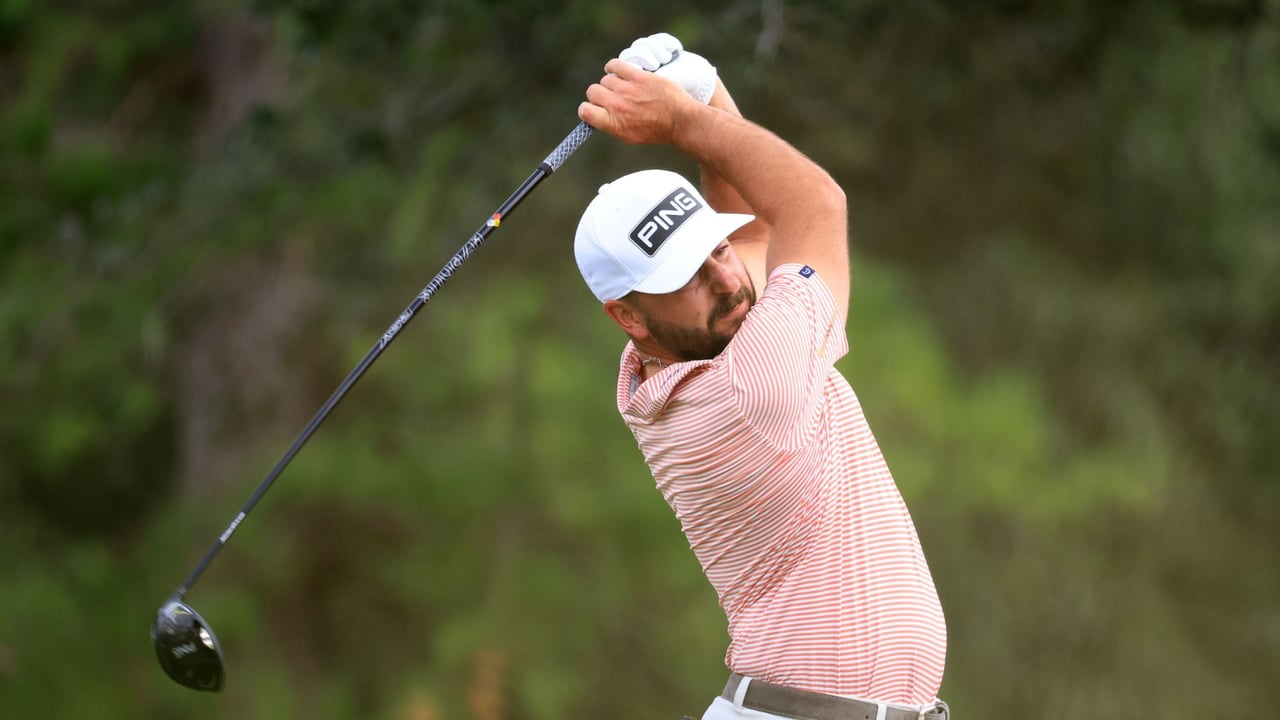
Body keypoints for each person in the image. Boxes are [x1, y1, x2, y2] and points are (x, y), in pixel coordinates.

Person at [573, 34, 949, 720]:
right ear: (627, 314)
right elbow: (815, 205)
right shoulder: (748, 391)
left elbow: (750, 236)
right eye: (687, 275)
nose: (724, 279)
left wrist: (703, 87)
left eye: (712, 247)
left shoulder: (681, 352)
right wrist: (686, 119)